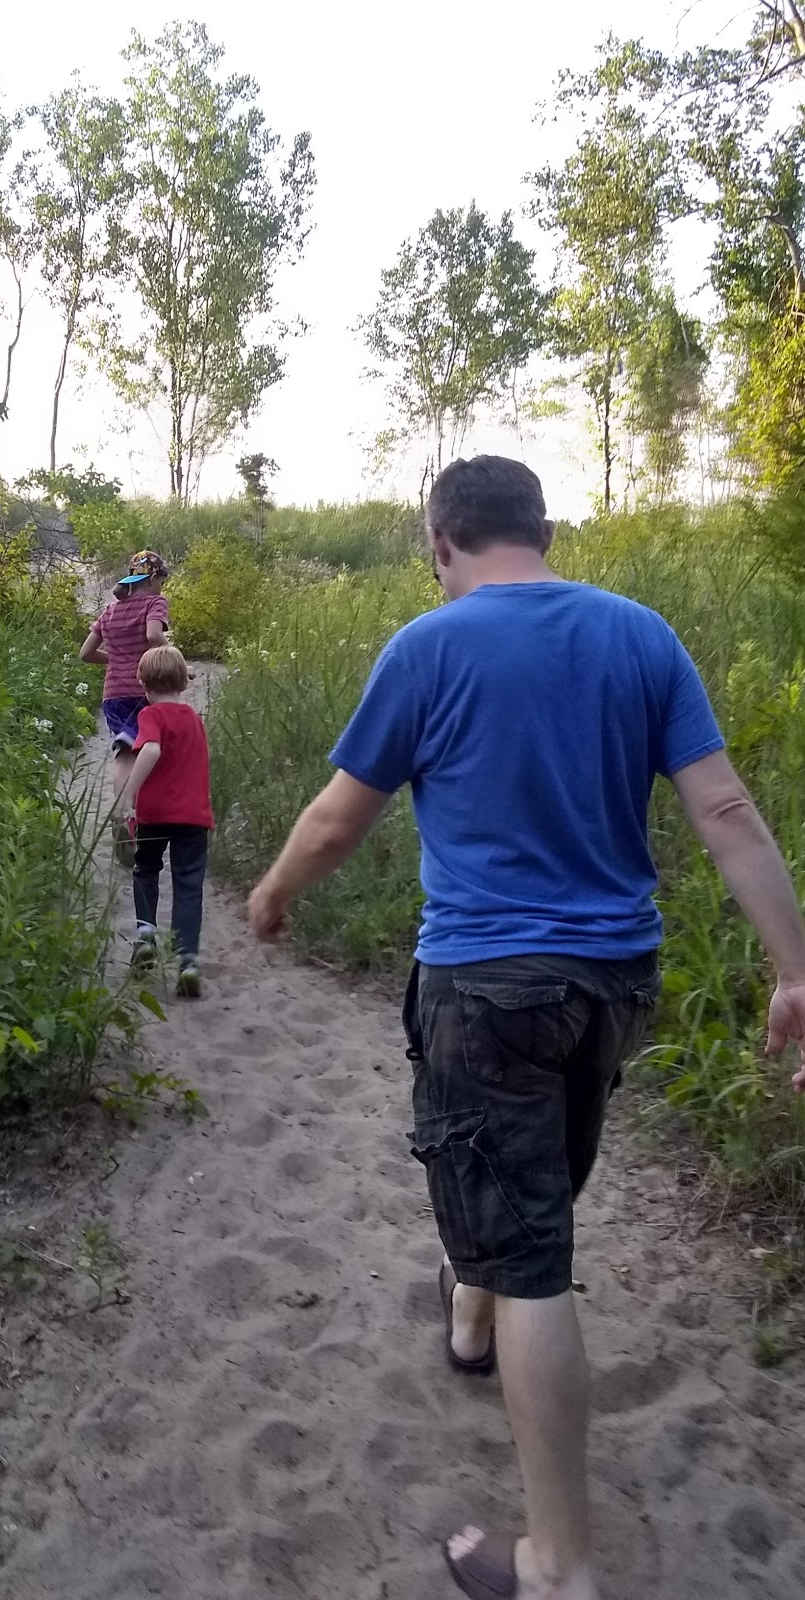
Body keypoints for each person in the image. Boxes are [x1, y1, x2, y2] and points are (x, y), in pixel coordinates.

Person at [246, 454, 805, 1600]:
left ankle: (560, 1564)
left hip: (485, 987)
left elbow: (339, 819)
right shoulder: (641, 635)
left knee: (535, 1259)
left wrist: (272, 892)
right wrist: (796, 969)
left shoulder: (429, 646)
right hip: (613, 986)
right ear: (542, 532)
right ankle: (469, 1317)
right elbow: (724, 806)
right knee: (527, 1192)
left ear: (440, 543)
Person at [117, 644, 213, 999]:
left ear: (143, 684)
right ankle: (188, 962)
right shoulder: (195, 720)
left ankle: (145, 937)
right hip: (193, 816)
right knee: (188, 884)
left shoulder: (150, 716)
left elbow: (152, 749)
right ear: (184, 683)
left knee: (145, 871)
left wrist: (129, 794)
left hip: (154, 813)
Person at [79, 550, 171, 861]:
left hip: (114, 695)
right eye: (161, 581)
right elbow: (153, 635)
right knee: (152, 751)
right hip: (145, 691)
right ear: (153, 578)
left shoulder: (110, 610)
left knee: (124, 755)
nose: (161, 587)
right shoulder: (155, 603)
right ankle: (143, 815)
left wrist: (118, 658)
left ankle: (122, 814)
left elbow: (85, 654)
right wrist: (175, 659)